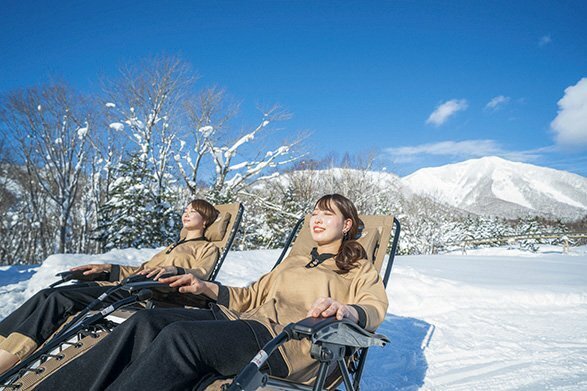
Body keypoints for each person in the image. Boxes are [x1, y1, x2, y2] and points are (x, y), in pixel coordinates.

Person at [36, 194, 388, 390]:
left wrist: (347, 311)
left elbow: (373, 307)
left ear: (347, 225)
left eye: (327, 213)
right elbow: (248, 297)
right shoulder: (293, 263)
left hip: (285, 342)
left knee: (179, 337)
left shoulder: (356, 267)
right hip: (243, 323)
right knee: (146, 321)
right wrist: (205, 286)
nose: (316, 218)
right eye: (314, 212)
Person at [0, 199, 220, 375]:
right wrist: (106, 268)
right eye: (186, 209)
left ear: (205, 220)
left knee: (61, 300)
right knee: (46, 294)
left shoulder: (207, 249)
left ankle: (9, 358)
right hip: (127, 284)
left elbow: (202, 275)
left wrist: (176, 271)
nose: (186, 213)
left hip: (148, 293)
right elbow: (140, 270)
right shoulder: (171, 248)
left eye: (194, 211)